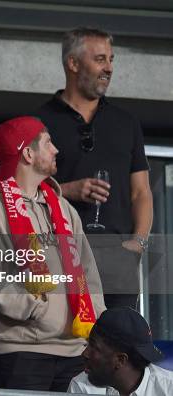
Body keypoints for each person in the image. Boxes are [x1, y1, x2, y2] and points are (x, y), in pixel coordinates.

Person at [0, 116, 106, 391]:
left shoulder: (64, 209)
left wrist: (96, 318)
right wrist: (36, 307)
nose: (56, 150)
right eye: (48, 142)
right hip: (21, 350)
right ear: (28, 153)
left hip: (76, 349)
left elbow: (88, 271)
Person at [35, 27, 152, 310]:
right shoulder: (38, 121)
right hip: (60, 253)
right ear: (73, 64)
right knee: (69, 345)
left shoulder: (126, 122)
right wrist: (67, 190)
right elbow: (21, 194)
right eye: (100, 59)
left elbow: (142, 192)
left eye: (111, 60)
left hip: (118, 258)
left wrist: (137, 244)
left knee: (118, 348)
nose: (109, 68)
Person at [69, 307, 173, 395]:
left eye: (94, 347)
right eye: (87, 344)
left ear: (120, 360)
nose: (85, 354)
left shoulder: (168, 389)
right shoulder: (82, 387)